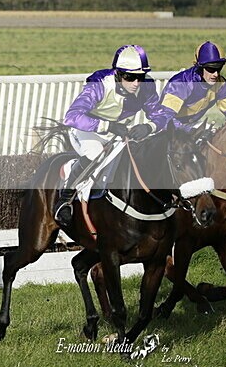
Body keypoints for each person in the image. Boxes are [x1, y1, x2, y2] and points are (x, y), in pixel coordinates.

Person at [53, 44, 169, 229]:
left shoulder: (146, 87)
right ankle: (64, 201)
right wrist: (107, 126)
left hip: (120, 132)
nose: (136, 83)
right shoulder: (100, 85)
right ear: (117, 74)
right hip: (87, 130)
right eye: (130, 77)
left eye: (140, 76)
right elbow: (72, 117)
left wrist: (150, 126)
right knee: (95, 153)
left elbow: (162, 115)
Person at [157, 40, 226, 132]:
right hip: (167, 129)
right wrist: (189, 131)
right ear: (199, 68)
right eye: (211, 69)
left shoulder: (221, 84)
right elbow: (164, 119)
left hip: (192, 126)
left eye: (219, 68)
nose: (216, 74)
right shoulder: (181, 83)